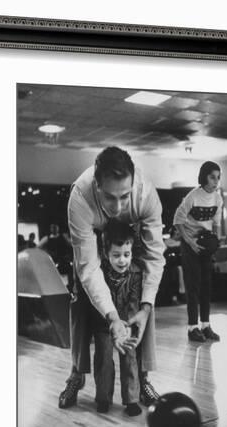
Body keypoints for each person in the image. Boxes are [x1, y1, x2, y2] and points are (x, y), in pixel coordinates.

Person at [58, 146, 165, 409]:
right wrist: (113, 318)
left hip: (127, 245)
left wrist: (146, 306)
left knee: (144, 301)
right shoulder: (80, 198)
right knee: (81, 299)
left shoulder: (147, 195)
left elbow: (154, 256)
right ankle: (76, 374)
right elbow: (89, 269)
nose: (117, 207)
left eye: (124, 197)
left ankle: (143, 379)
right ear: (97, 185)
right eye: (109, 198)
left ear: (133, 184)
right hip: (95, 249)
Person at [92, 220, 143, 416]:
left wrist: (127, 325)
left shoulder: (135, 273)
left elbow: (134, 301)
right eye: (116, 255)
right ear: (106, 254)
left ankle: (131, 400)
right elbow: (97, 299)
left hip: (126, 324)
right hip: (104, 324)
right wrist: (111, 323)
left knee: (129, 356)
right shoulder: (100, 273)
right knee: (104, 358)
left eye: (126, 255)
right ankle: (103, 398)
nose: (122, 260)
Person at [173, 161, 223, 343]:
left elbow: (216, 225)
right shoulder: (192, 197)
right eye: (212, 177)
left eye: (218, 177)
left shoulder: (218, 198)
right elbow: (177, 220)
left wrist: (215, 245)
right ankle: (192, 328)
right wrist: (189, 242)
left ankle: (205, 325)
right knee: (192, 286)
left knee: (206, 287)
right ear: (204, 177)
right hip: (189, 244)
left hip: (205, 242)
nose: (216, 181)